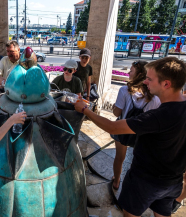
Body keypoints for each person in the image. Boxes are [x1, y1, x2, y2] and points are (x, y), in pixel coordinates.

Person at [74, 57, 186, 217]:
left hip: (145, 181)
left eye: (149, 79)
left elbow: (112, 127)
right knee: (162, 213)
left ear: (166, 84)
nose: (145, 82)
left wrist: (85, 110)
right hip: (172, 182)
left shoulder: (158, 117)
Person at [110, 61, 161, 190]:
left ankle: (116, 181)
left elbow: (117, 112)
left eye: (131, 70)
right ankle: (133, 185)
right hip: (142, 134)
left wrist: (114, 107)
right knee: (138, 160)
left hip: (122, 130)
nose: (128, 72)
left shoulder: (124, 90)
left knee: (119, 157)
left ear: (138, 74)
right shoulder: (155, 97)